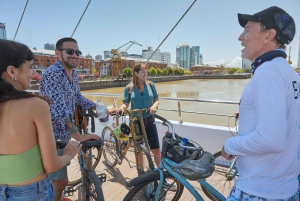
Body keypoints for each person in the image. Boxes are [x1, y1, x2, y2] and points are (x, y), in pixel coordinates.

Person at [221, 6, 299, 200]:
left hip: (258, 190)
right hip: (286, 187)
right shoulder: (290, 73)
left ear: (268, 36)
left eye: (247, 30)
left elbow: (270, 139)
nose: (241, 37)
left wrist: (230, 145)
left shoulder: (267, 74)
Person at [0, 39, 81, 200]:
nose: (33, 72)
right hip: (30, 193)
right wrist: (69, 153)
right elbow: (51, 165)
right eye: (30, 67)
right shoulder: (36, 106)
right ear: (12, 71)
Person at [39, 37, 100, 201]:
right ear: (58, 53)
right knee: (59, 182)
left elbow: (77, 97)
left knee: (58, 179)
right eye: (70, 51)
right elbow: (59, 111)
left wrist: (95, 107)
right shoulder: (53, 74)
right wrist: (78, 136)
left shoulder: (73, 74)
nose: (75, 55)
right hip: (51, 135)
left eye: (77, 52)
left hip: (63, 134)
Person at [118, 64, 161, 167]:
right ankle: (141, 173)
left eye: (146, 71)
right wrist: (122, 108)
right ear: (136, 73)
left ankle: (161, 174)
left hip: (149, 120)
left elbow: (156, 99)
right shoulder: (129, 88)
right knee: (139, 150)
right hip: (136, 122)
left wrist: (154, 106)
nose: (145, 73)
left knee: (156, 150)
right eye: (142, 71)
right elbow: (125, 103)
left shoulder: (151, 85)